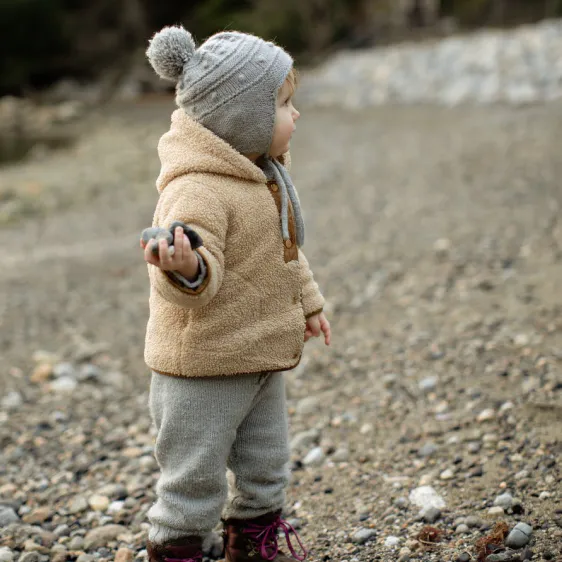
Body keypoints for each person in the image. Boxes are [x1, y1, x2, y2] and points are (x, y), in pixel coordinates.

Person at [140, 25, 331, 562]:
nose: (296, 115)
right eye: (284, 104)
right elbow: (193, 279)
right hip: (201, 369)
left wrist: (309, 304)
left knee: (267, 461)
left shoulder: (259, 177)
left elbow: (286, 253)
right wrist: (185, 265)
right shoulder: (196, 188)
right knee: (193, 475)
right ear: (241, 117)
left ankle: (253, 538)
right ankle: (176, 546)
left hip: (258, 353)